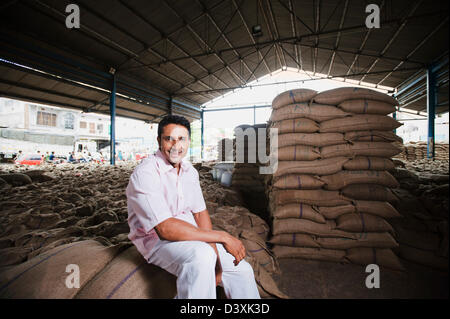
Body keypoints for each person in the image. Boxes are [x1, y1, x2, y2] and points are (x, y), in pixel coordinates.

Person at [126, 115, 260, 299]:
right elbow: (165, 229)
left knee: (242, 271)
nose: (176, 145)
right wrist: (222, 237)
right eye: (169, 139)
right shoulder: (146, 173)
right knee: (201, 256)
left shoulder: (190, 172)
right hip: (157, 242)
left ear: (188, 141)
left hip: (192, 235)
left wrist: (217, 258)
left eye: (181, 139)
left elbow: (199, 215)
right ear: (159, 141)